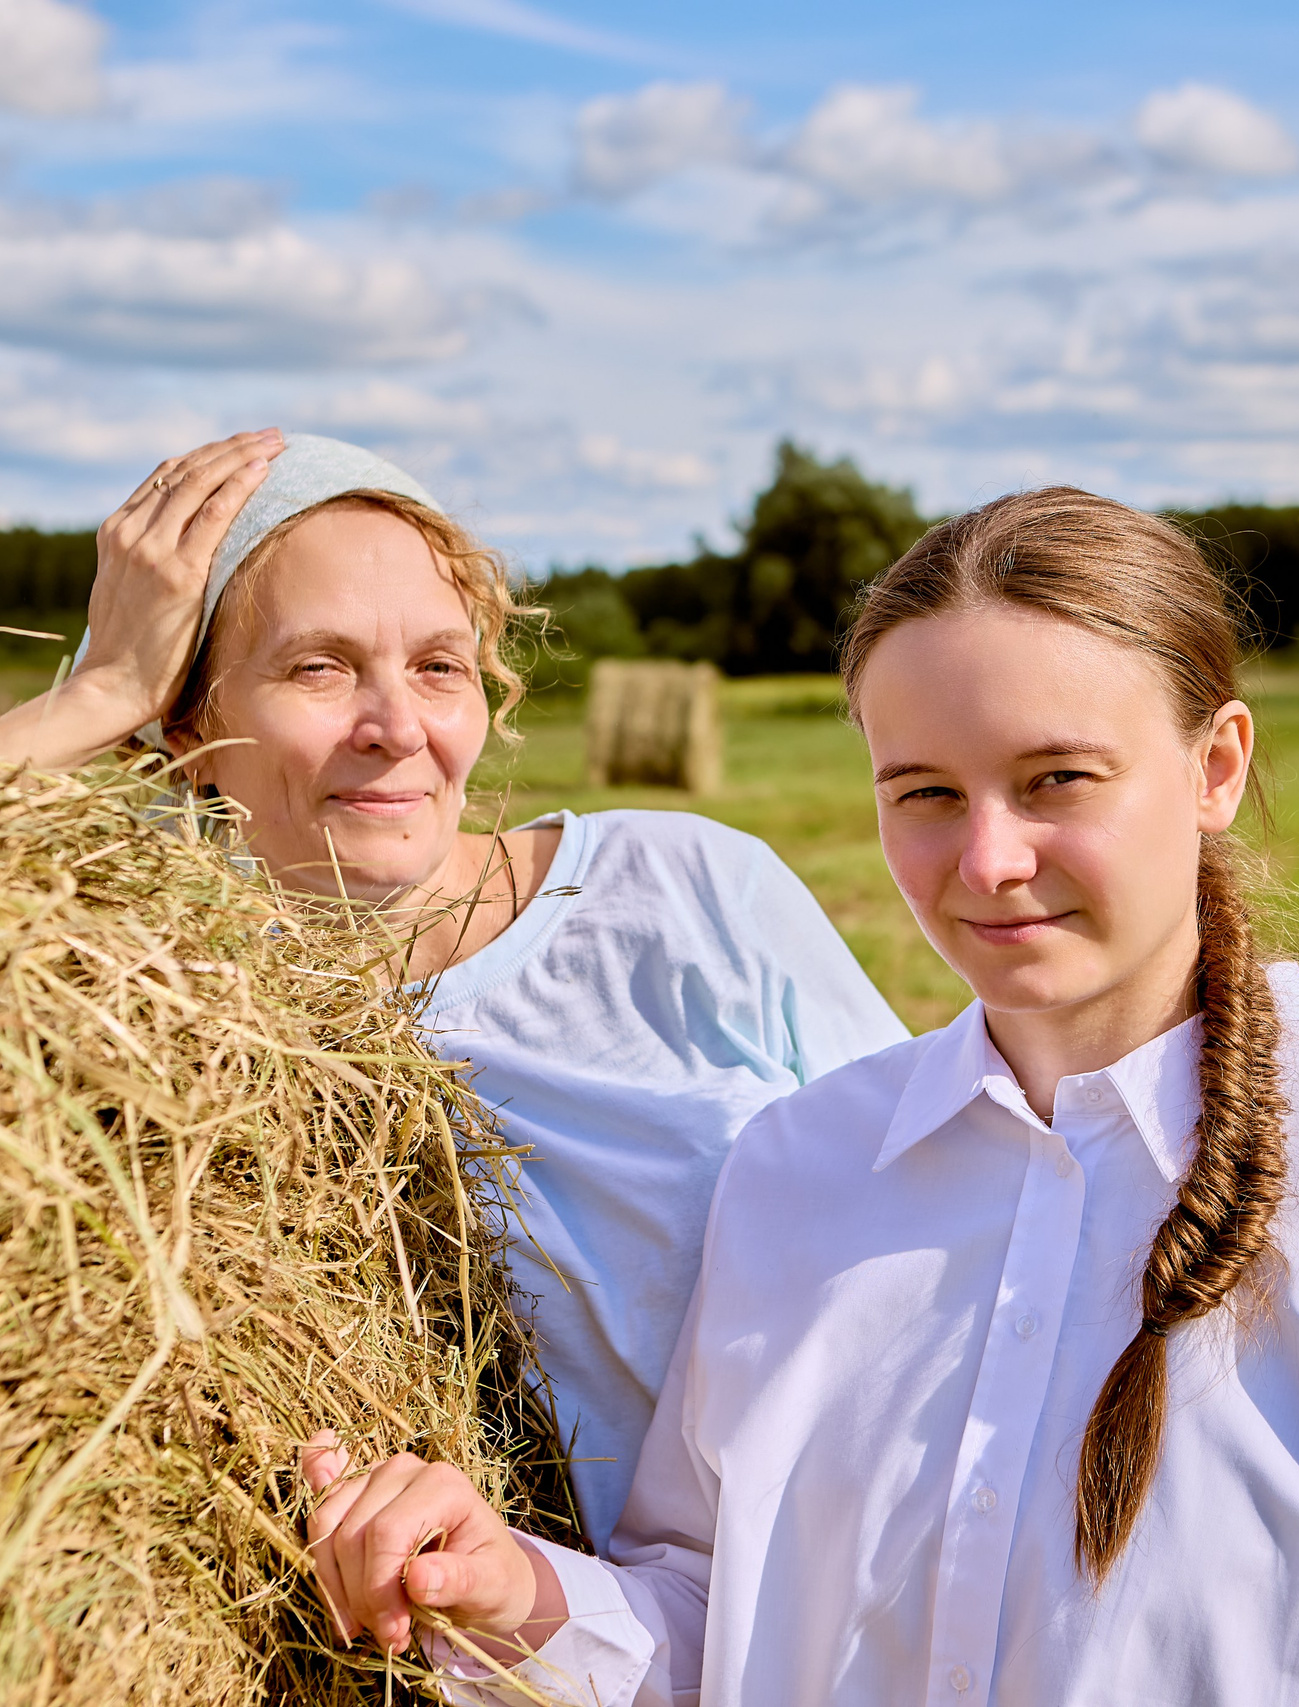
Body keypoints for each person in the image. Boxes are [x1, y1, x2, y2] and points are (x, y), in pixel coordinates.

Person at [302, 485, 1299, 1703]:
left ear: (1216, 767)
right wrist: (510, 1587)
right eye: (923, 795)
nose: (986, 860)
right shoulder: (794, 1173)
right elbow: (712, 1621)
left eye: (1055, 781)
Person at [0, 429, 908, 1556]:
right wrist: (102, 690)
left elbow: (952, 1198)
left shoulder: (683, 891)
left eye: (438, 666)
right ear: (188, 726)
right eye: (318, 668)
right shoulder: (156, 1008)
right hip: (544, 1648)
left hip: (846, 1591)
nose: (399, 728)